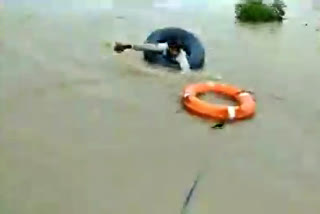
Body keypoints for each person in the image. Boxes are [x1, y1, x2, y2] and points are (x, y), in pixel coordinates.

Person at [114, 40, 191, 73]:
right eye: (173, 49)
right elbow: (147, 47)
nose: (174, 52)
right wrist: (128, 46)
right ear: (169, 47)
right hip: (162, 52)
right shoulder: (164, 47)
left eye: (176, 50)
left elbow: (186, 71)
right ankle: (122, 46)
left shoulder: (181, 57)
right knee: (152, 46)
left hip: (170, 63)